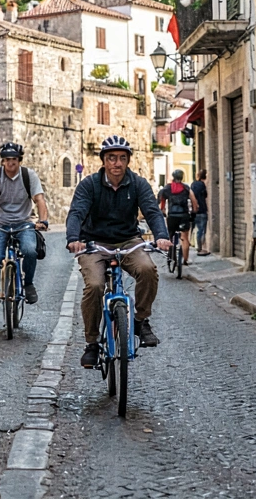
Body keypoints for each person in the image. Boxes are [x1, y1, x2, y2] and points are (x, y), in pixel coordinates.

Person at [65, 135, 171, 369]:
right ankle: (92, 343)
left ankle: (141, 320)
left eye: (122, 158)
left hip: (128, 241)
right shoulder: (89, 185)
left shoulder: (138, 184)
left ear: (128, 161)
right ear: (103, 161)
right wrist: (74, 239)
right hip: (94, 243)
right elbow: (77, 213)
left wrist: (161, 236)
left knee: (148, 269)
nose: (117, 163)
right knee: (94, 285)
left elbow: (152, 211)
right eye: (111, 158)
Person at [0, 142, 50, 313]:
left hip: (24, 223)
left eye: (14, 159)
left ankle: (29, 284)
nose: (10, 163)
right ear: (2, 161)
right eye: (7, 159)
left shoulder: (28, 176)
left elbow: (39, 199)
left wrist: (43, 220)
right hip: (0, 224)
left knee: (30, 250)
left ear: (19, 160)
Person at [158, 169, 198, 265]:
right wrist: (193, 213)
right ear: (182, 177)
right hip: (184, 216)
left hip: (172, 216)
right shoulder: (186, 188)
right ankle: (185, 260)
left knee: (170, 236)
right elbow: (194, 203)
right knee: (184, 238)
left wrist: (163, 211)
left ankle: (171, 256)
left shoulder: (167, 188)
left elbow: (161, 203)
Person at [191, 170, 210, 256]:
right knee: (202, 230)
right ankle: (201, 248)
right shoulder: (202, 185)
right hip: (202, 209)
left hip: (194, 210)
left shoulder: (193, 184)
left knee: (196, 229)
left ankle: (196, 245)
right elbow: (205, 195)